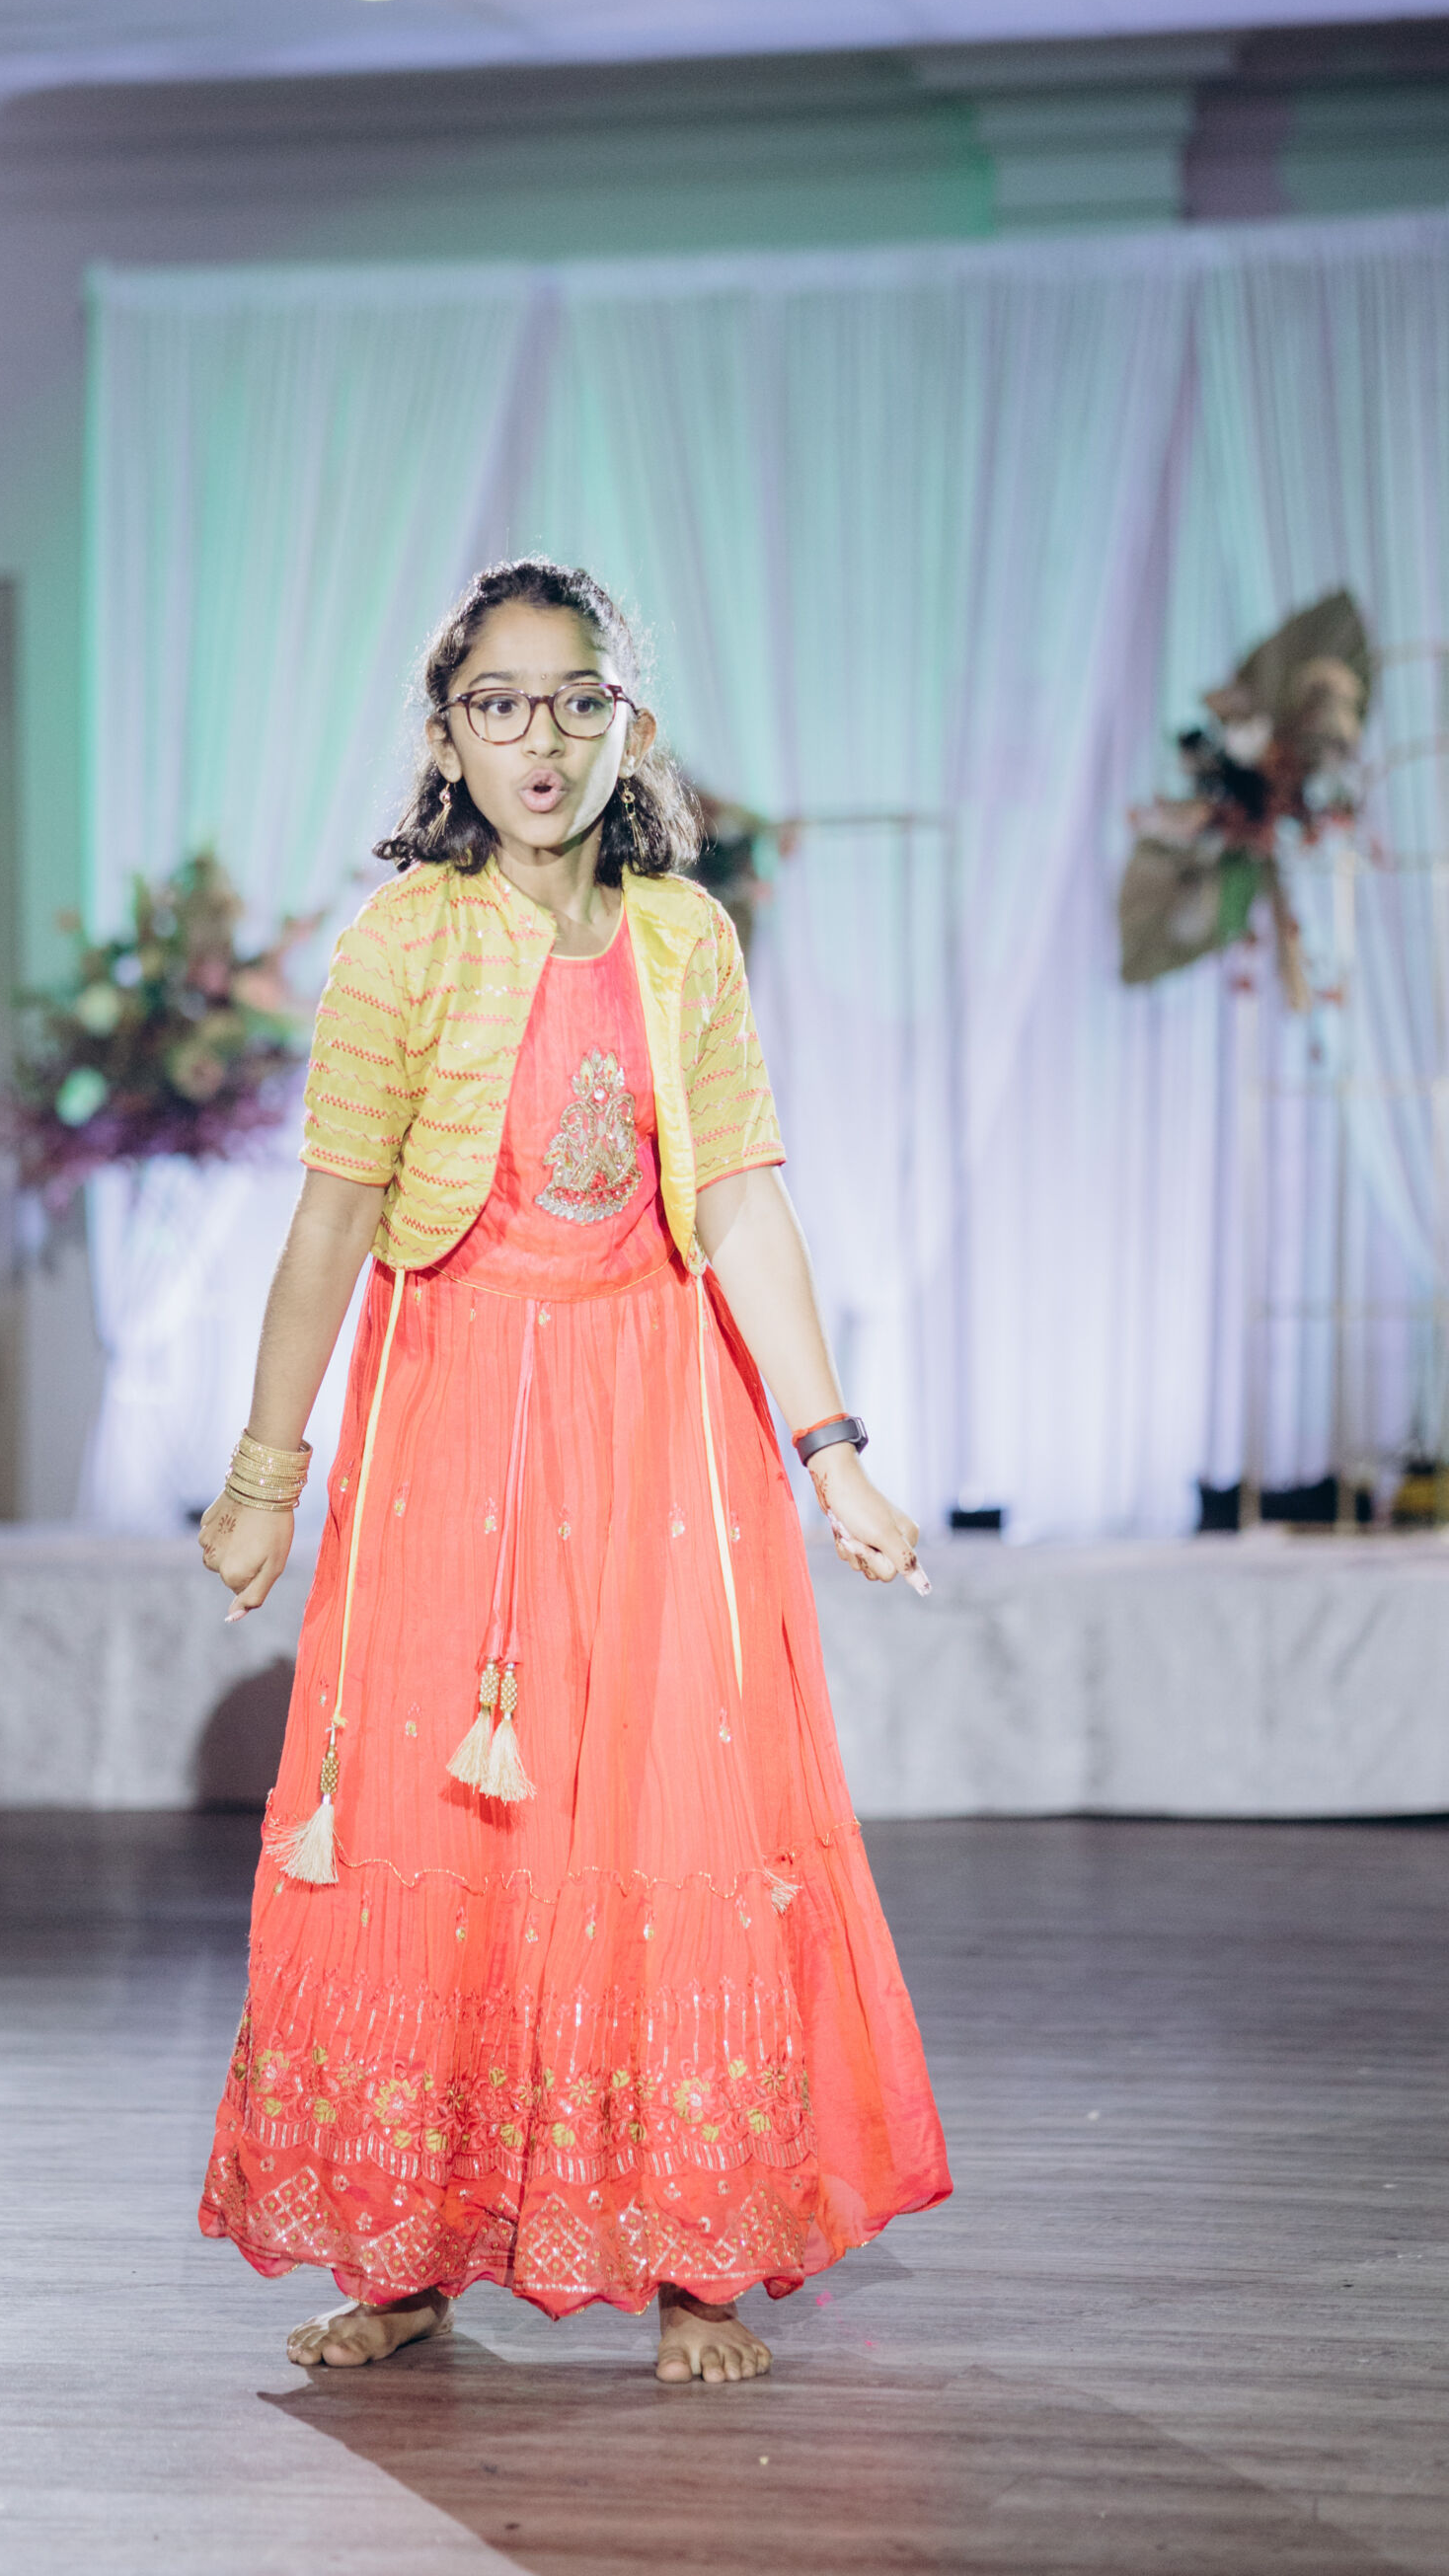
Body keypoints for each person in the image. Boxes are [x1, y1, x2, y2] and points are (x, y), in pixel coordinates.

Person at [197, 559, 951, 2385]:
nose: (540, 741)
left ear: (631, 724)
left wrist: (835, 1454)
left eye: (575, 701)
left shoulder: (685, 939)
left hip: (662, 1434)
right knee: (438, 1830)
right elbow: (333, 1221)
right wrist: (268, 1469)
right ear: (447, 735)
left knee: (667, 1819)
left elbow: (745, 1201)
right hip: (456, 1425)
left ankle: (700, 2257)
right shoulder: (405, 942)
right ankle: (407, 2254)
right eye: (501, 704)